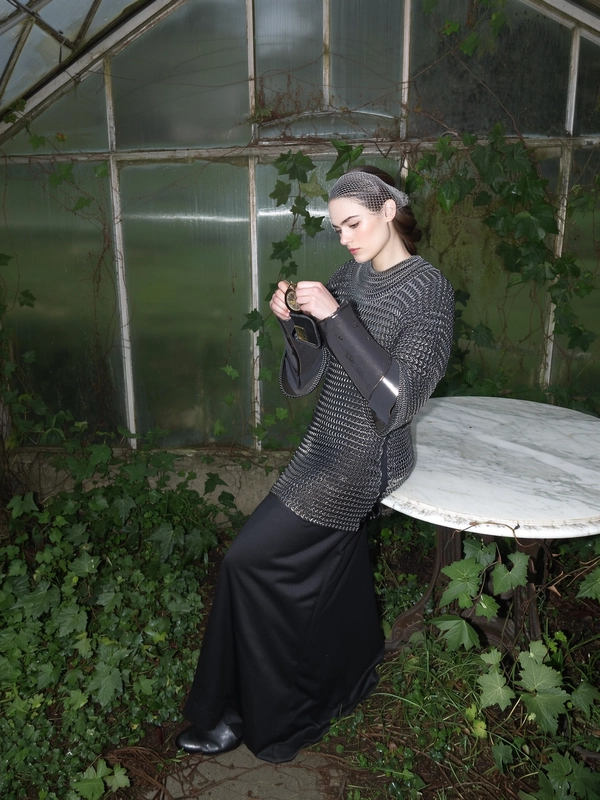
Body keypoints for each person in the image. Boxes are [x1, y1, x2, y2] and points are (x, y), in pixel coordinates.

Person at [176, 166, 454, 763]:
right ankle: (349, 676)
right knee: (331, 581)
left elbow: (399, 403)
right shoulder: (353, 273)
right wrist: (297, 325)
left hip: (363, 462)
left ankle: (243, 715)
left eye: (354, 223)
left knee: (245, 562)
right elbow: (311, 377)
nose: (346, 238)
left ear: (388, 211)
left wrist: (332, 315)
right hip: (328, 446)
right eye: (337, 228)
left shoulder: (427, 290)